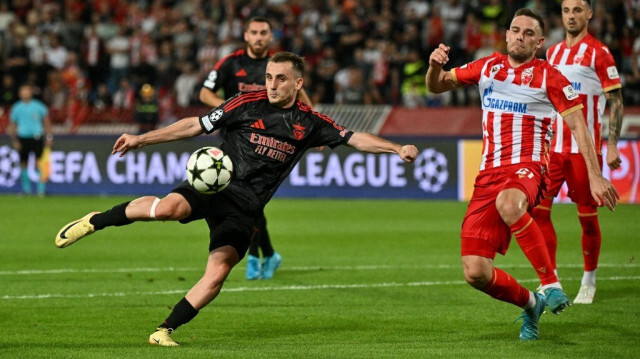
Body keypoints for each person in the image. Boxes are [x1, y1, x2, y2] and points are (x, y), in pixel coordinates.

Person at [54, 52, 418, 346]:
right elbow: (194, 125)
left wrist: (395, 148)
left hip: (247, 207)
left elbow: (355, 138)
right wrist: (142, 138)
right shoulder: (246, 103)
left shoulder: (310, 122)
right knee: (167, 208)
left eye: (280, 78)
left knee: (217, 274)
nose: (272, 84)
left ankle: (164, 330)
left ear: (298, 83)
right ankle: (96, 220)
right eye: (269, 77)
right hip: (214, 185)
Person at [425, 9, 618, 340]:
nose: (520, 36)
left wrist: (595, 174)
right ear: (506, 34)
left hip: (528, 168)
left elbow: (578, 126)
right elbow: (437, 87)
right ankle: (531, 304)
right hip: (488, 175)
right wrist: (433, 67)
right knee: (475, 272)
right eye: (515, 30)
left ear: (539, 42)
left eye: (529, 33)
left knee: (511, 203)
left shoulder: (549, 77)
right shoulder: (488, 66)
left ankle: (550, 283)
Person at [199, 16, 313, 280]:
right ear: (246, 35)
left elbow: (300, 96)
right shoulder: (231, 63)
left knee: (249, 202)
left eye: (264, 32)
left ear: (270, 36)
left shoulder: (278, 66)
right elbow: (205, 93)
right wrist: (229, 110)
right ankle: (266, 255)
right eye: (254, 32)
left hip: (269, 141)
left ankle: (255, 256)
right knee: (249, 203)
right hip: (234, 143)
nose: (259, 37)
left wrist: (312, 127)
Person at [532, 0, 624, 305]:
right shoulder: (553, 52)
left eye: (577, 10)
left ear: (589, 14)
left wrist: (611, 144)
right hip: (553, 151)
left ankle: (589, 280)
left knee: (586, 218)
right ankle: (551, 281)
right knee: (538, 212)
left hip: (584, 153)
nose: (571, 16)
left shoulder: (599, 52)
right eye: (566, 11)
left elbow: (617, 102)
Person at [7, 84, 52, 196]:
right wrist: (15, 140)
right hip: (23, 137)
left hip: (36, 137)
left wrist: (49, 137)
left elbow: (47, 123)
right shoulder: (16, 108)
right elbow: (12, 125)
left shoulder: (39, 106)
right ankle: (26, 190)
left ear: (31, 92)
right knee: (24, 163)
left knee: (39, 163)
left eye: (27, 91)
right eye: (23, 91)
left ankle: (41, 190)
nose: (25, 93)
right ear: (19, 93)